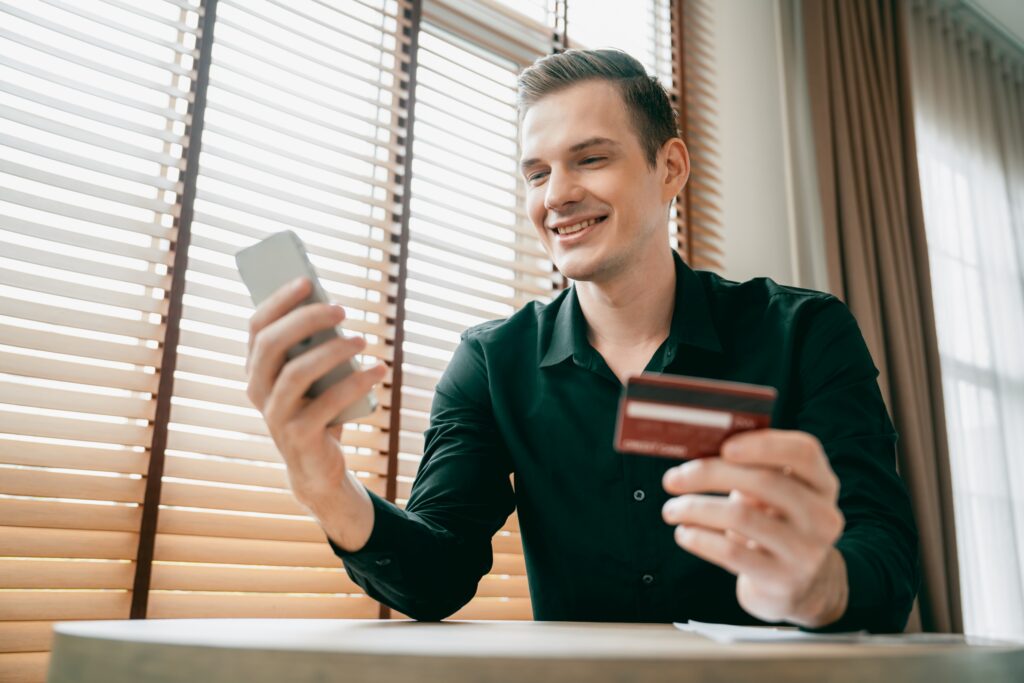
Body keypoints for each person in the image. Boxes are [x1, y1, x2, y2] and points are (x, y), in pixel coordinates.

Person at [243, 49, 919, 632]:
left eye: (589, 159)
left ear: (672, 169)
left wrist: (819, 583)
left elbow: (886, 554)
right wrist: (327, 486)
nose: (557, 194)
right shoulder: (490, 362)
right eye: (536, 173)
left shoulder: (804, 334)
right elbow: (437, 573)